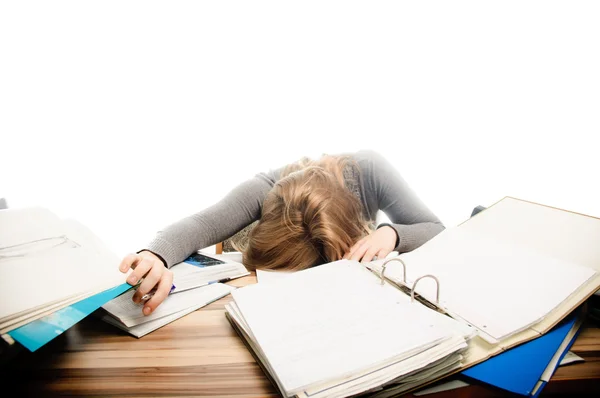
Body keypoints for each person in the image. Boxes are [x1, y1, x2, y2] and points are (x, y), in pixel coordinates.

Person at [118, 150, 445, 315]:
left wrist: (392, 234)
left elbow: (436, 229)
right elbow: (201, 225)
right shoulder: (264, 188)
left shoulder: (371, 170)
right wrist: (155, 254)